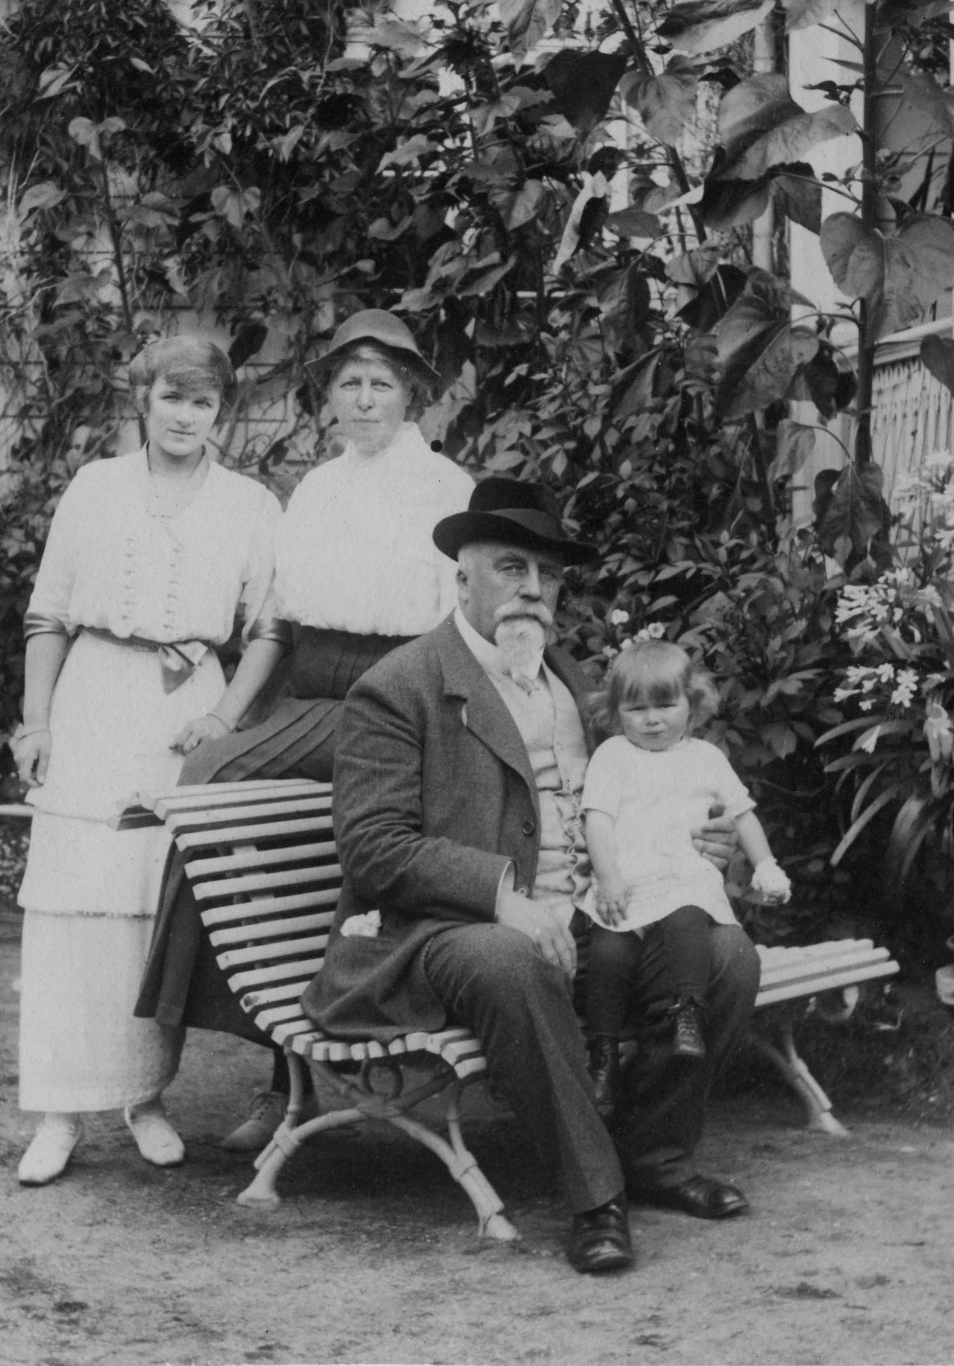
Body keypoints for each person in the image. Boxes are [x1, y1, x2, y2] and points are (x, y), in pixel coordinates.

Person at [300, 477, 761, 1275]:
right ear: (463, 578)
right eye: (512, 568)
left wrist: (700, 843)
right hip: (440, 930)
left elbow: (631, 801)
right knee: (516, 960)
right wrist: (504, 898)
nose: (534, 591)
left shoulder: (574, 684)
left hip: (588, 913)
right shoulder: (401, 686)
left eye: (548, 576)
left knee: (727, 956)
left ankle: (654, 1151)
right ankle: (595, 1198)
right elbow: (373, 849)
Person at [137, 310, 472, 1154]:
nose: (363, 400)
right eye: (348, 383)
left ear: (413, 396)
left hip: (395, 700)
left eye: (381, 384)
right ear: (329, 396)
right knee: (213, 780)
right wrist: (226, 713)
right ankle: (274, 1063)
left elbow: (463, 629)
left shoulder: (445, 489)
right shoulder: (317, 489)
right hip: (310, 695)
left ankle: (298, 1061)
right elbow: (280, 625)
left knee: (278, 819)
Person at [7, 336, 283, 1187]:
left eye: (202, 402)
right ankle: (57, 1113)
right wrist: (36, 723)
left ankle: (144, 1100)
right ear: (142, 399)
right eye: (171, 397)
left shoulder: (249, 505)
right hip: (94, 694)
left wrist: (222, 714)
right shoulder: (95, 488)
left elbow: (271, 629)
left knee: (147, 911)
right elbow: (48, 615)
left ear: (220, 412)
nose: (184, 416)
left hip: (181, 712)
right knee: (69, 906)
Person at [579, 638, 790, 1118]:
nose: (653, 719)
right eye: (637, 709)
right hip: (628, 878)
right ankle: (604, 1055)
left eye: (665, 705)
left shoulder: (705, 758)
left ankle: (688, 1013)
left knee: (688, 918)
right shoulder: (613, 755)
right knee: (610, 953)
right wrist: (608, 878)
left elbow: (742, 815)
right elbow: (599, 820)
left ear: (691, 707)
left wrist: (766, 865)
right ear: (616, 713)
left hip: (680, 874)